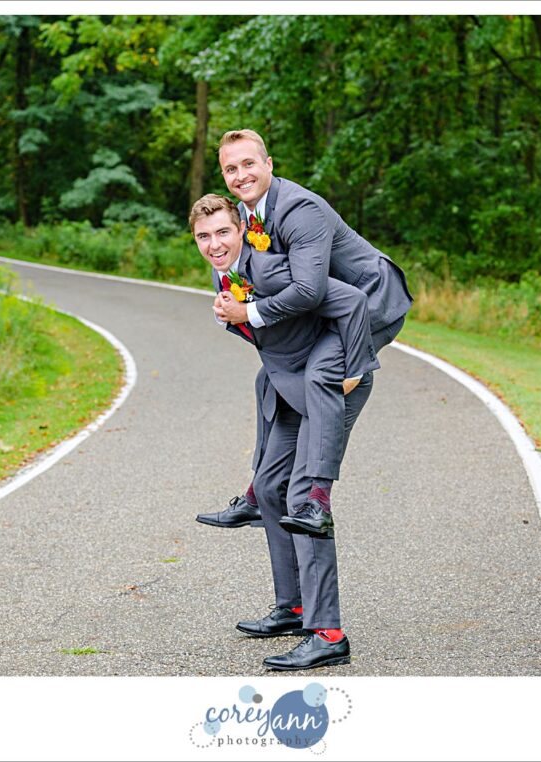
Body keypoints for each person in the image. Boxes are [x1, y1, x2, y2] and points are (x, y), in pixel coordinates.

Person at [190, 195, 376, 670]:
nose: (214, 245)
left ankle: (327, 633)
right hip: (290, 383)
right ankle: (293, 609)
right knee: (271, 488)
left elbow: (353, 301)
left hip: (332, 385)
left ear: (242, 229)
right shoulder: (223, 274)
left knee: (302, 500)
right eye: (203, 237)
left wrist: (354, 369)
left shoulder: (270, 269)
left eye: (223, 233)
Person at [197, 128, 412, 537]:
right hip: (326, 309)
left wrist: (249, 311)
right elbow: (244, 268)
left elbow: (309, 290)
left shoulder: (300, 209)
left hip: (369, 300)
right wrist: (229, 309)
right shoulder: (242, 215)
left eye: (248, 164)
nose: (241, 175)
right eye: (230, 169)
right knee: (271, 380)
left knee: (320, 375)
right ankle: (257, 494)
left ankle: (318, 501)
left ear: (269, 164)